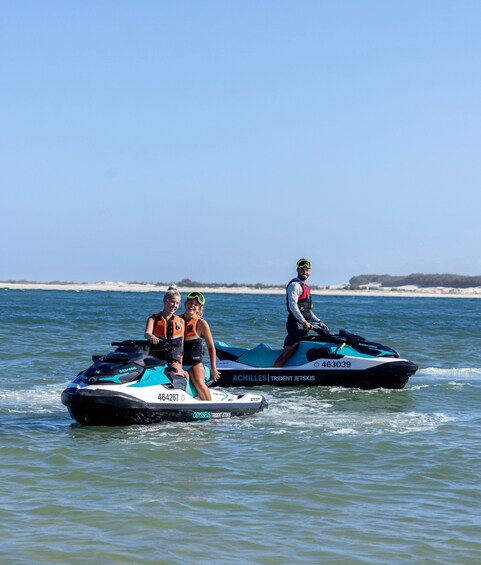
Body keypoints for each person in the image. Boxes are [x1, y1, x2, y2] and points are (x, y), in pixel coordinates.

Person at [274, 258, 329, 367]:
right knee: (289, 351)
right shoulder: (295, 285)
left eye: (307, 270)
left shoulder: (305, 287)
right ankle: (273, 372)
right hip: (295, 324)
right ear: (297, 270)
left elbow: (308, 311)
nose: (305, 272)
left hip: (304, 325)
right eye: (302, 270)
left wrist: (319, 322)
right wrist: (303, 321)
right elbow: (293, 305)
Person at [180, 291, 220, 401]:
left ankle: (210, 407)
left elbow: (211, 347)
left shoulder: (201, 324)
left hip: (195, 364)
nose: (192, 306)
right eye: (190, 303)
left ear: (199, 309)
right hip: (179, 363)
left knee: (198, 382)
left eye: (196, 304)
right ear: (185, 304)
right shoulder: (177, 320)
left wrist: (213, 368)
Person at [144, 284, 186, 376]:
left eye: (177, 303)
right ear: (165, 301)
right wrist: (151, 336)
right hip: (155, 358)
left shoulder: (181, 321)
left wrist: (180, 366)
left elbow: (181, 346)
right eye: (172, 302)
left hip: (173, 360)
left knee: (177, 375)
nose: (175, 305)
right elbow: (147, 333)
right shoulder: (153, 319)